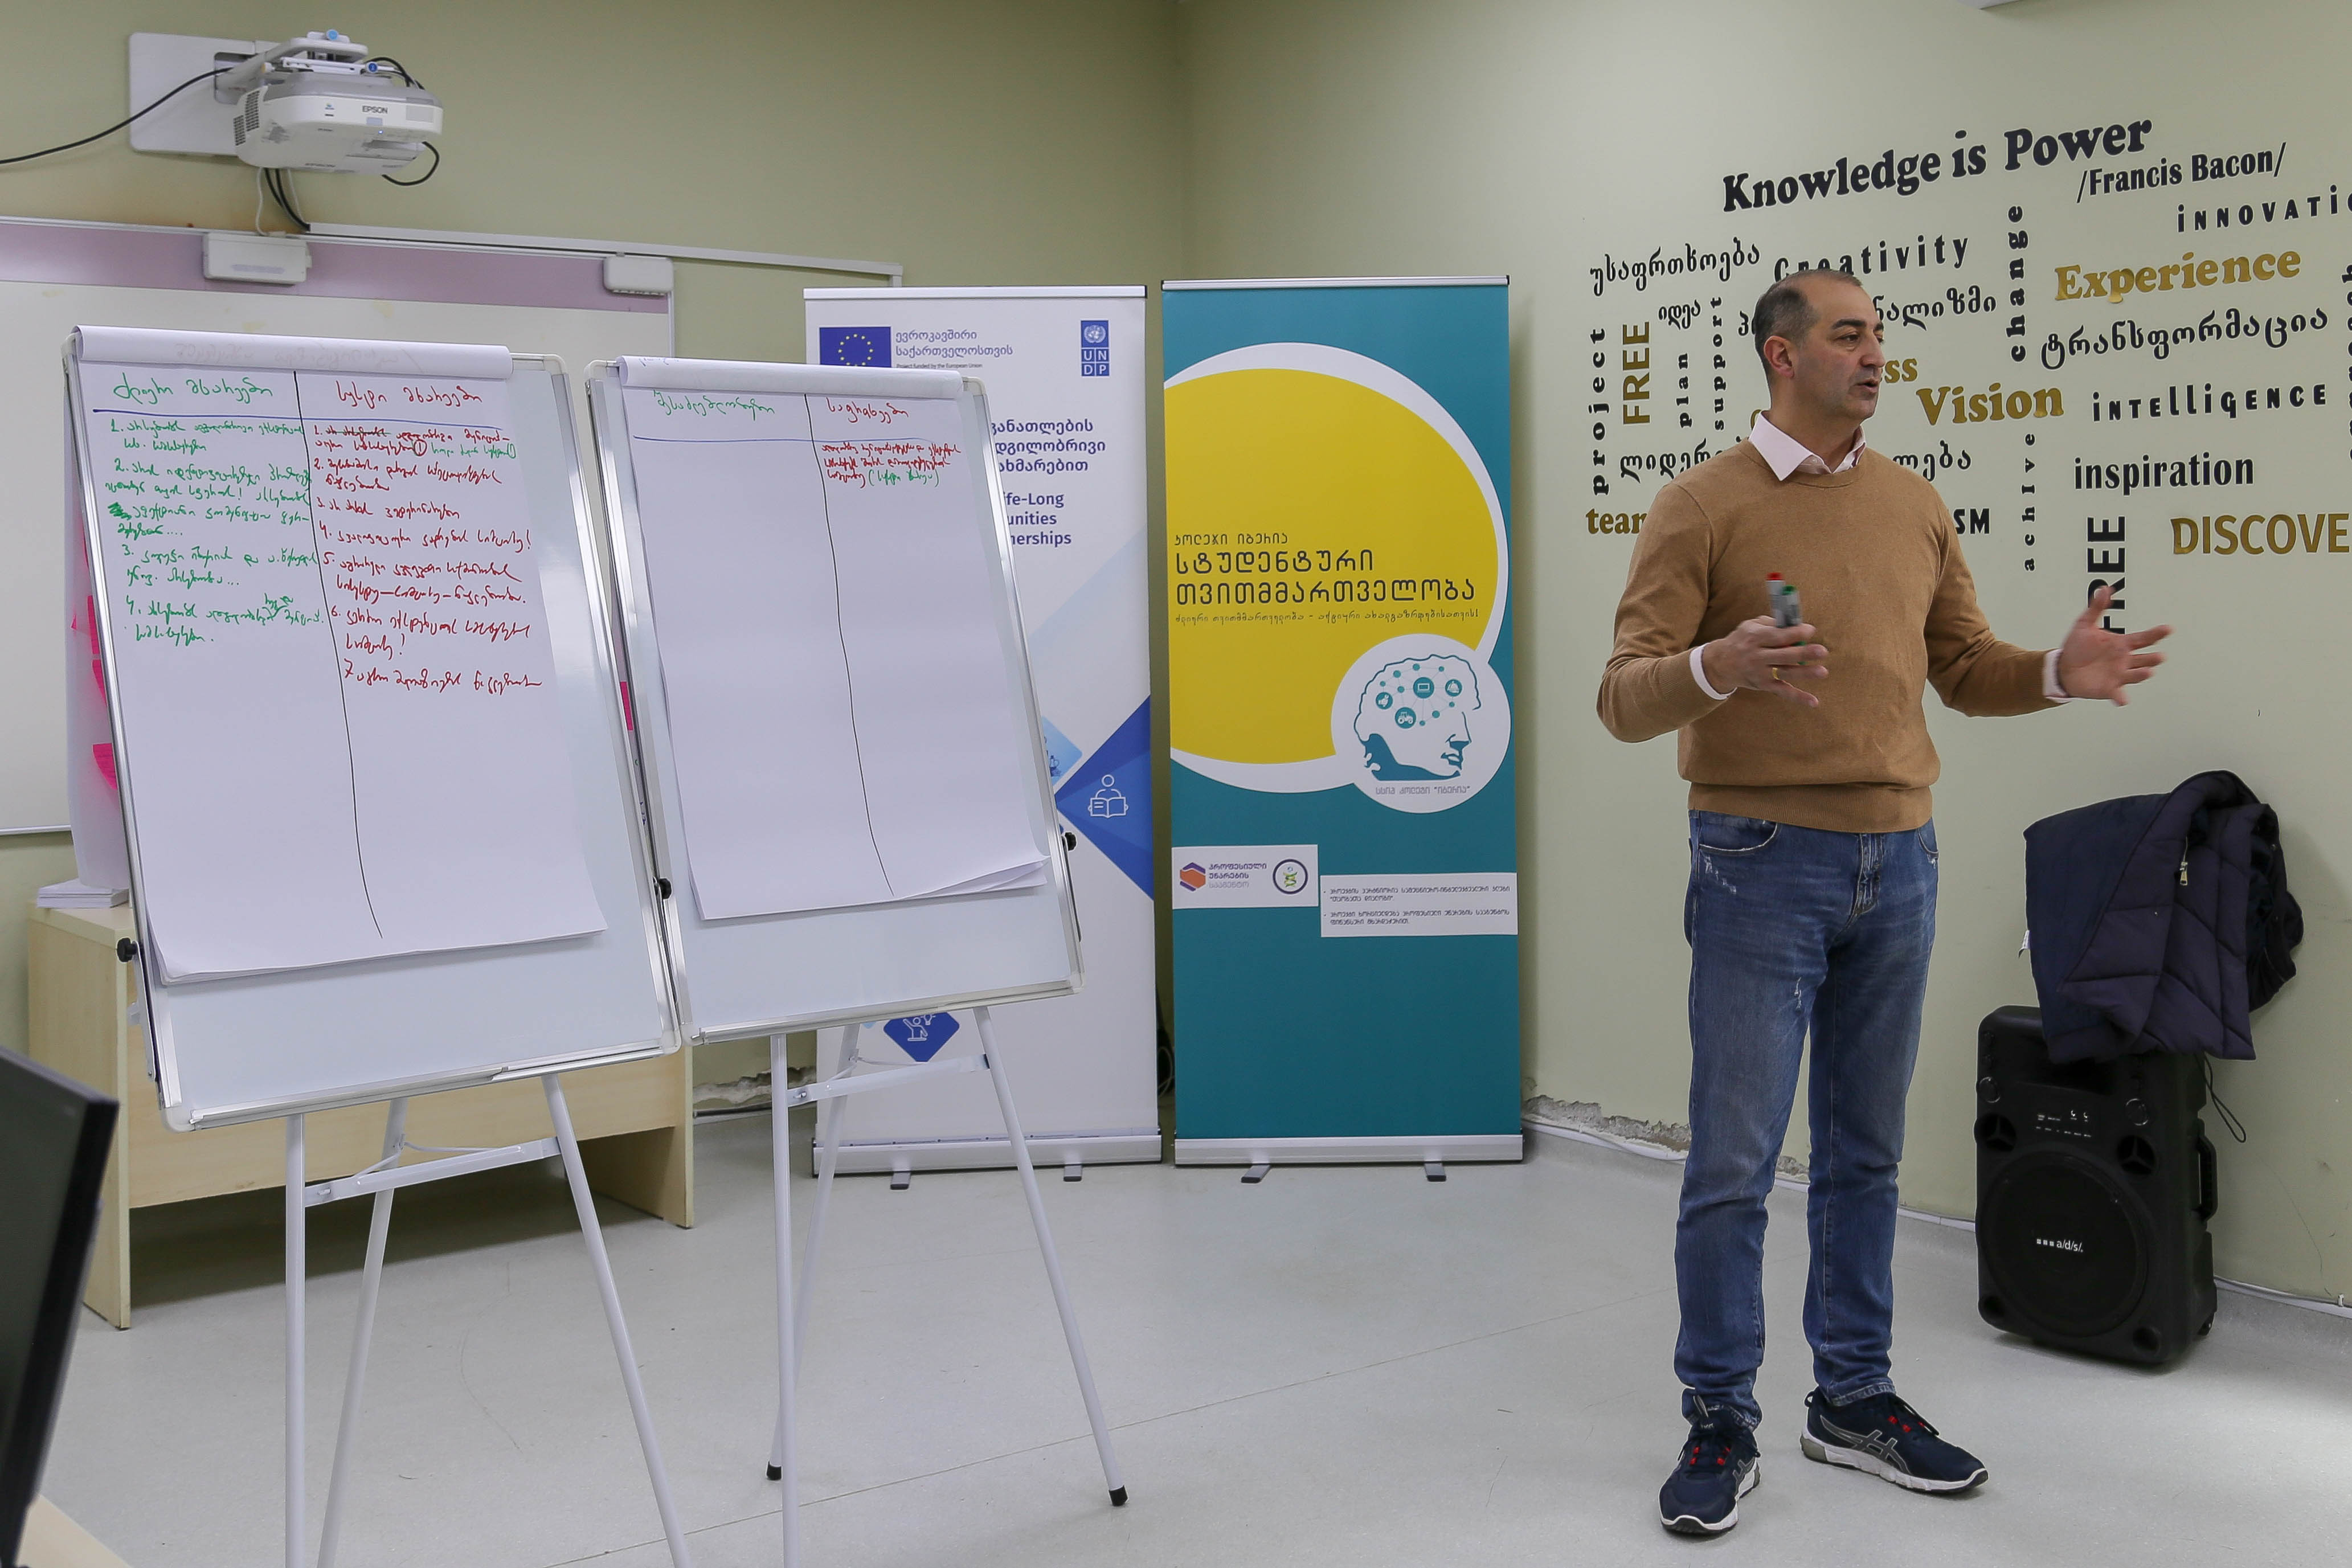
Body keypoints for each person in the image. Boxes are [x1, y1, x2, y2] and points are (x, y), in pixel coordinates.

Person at [1596, 268, 2171, 1537]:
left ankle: (1851, 1398)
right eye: (1849, 336)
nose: (1874, 357)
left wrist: (2058, 675)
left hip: (1898, 859)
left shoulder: (1912, 502)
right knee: (1735, 1163)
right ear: (1780, 354)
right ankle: (1719, 1414)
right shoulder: (1700, 505)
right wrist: (1716, 665)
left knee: (1866, 1154)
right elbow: (1622, 694)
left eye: (1878, 338)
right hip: (1757, 861)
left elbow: (1964, 667)